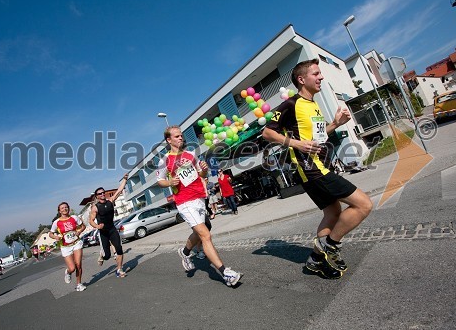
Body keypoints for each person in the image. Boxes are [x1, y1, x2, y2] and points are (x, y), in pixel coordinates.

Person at [262, 59, 373, 279]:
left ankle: (314, 261)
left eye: (320, 73)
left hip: (322, 165)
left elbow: (318, 138)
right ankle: (330, 246)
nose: (321, 77)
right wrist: (297, 144)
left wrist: (335, 123)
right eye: (316, 73)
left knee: (332, 213)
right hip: (311, 169)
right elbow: (267, 133)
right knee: (363, 204)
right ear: (302, 80)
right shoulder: (290, 104)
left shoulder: (314, 105)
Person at [156, 126, 242, 287]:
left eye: (181, 135)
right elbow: (160, 181)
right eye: (177, 136)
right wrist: (169, 182)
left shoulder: (190, 155)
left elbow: (201, 174)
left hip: (200, 198)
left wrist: (203, 170)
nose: (181, 138)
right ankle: (225, 273)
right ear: (169, 140)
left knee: (199, 231)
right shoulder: (164, 161)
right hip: (184, 201)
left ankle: (185, 252)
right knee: (205, 235)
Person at [89, 174, 129, 278]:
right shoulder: (95, 208)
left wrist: (125, 179)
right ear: (97, 196)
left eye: (103, 192)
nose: (102, 194)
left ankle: (119, 269)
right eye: (100, 193)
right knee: (107, 256)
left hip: (112, 229)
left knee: (119, 249)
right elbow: (91, 221)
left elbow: (119, 190)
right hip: (103, 233)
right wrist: (97, 227)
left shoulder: (111, 201)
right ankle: (102, 255)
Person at [49, 202, 87, 292]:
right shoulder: (56, 222)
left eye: (66, 207)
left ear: (68, 208)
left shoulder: (74, 217)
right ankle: (68, 272)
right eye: (62, 208)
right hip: (65, 247)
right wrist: (56, 237)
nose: (64, 209)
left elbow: (83, 226)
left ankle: (79, 284)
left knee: (78, 264)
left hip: (76, 243)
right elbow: (50, 234)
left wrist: (79, 231)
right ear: (59, 211)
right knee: (72, 268)